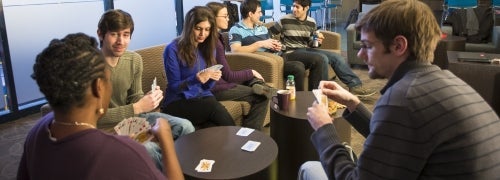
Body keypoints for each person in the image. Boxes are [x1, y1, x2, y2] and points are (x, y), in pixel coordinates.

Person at [299, 0, 500, 179]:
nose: (360, 54)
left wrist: (324, 127)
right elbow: (399, 137)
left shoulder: (403, 99)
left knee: (309, 168)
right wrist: (353, 104)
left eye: (367, 45)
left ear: (398, 46)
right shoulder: (443, 82)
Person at [18, 33, 183, 179]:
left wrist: (116, 142)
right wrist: (166, 139)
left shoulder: (37, 131)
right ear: (99, 87)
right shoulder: (126, 154)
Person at [96, 9, 194, 172]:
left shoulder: (134, 59)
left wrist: (147, 100)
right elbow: (92, 116)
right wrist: (137, 107)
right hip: (106, 127)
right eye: (114, 34)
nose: (121, 41)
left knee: (186, 126)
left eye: (126, 34)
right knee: (148, 148)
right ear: (100, 34)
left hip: (133, 119)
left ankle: (182, 171)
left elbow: (135, 97)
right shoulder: (90, 67)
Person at [268, 0, 376, 97]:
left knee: (336, 57)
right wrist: (277, 45)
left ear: (306, 8)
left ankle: (355, 86)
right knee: (321, 58)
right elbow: (269, 34)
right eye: (293, 6)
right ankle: (319, 93)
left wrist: (318, 42)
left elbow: (311, 43)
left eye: (297, 7)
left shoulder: (311, 22)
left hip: (304, 50)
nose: (294, 9)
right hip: (290, 52)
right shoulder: (284, 20)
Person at [162, 6, 235, 128]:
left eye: (207, 29)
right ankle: (239, 139)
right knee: (213, 107)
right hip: (177, 101)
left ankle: (235, 140)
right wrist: (196, 79)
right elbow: (174, 87)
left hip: (201, 98)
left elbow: (206, 87)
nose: (203, 34)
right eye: (198, 29)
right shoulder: (172, 49)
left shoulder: (208, 47)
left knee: (213, 125)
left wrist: (212, 78)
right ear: (189, 27)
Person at [228, 0, 323, 91]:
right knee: (298, 67)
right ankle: (299, 100)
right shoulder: (236, 30)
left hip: (279, 56)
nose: (261, 15)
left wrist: (275, 45)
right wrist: (260, 44)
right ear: (250, 14)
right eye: (259, 12)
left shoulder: (261, 27)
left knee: (313, 61)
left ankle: (311, 96)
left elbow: (270, 41)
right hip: (265, 62)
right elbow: (235, 50)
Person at [206, 1, 271, 130]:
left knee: (254, 81)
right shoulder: (214, 42)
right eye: (225, 16)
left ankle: (258, 84)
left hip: (221, 82)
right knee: (262, 95)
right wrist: (251, 71)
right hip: (217, 88)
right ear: (213, 18)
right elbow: (228, 76)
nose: (228, 18)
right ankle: (251, 135)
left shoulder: (216, 37)